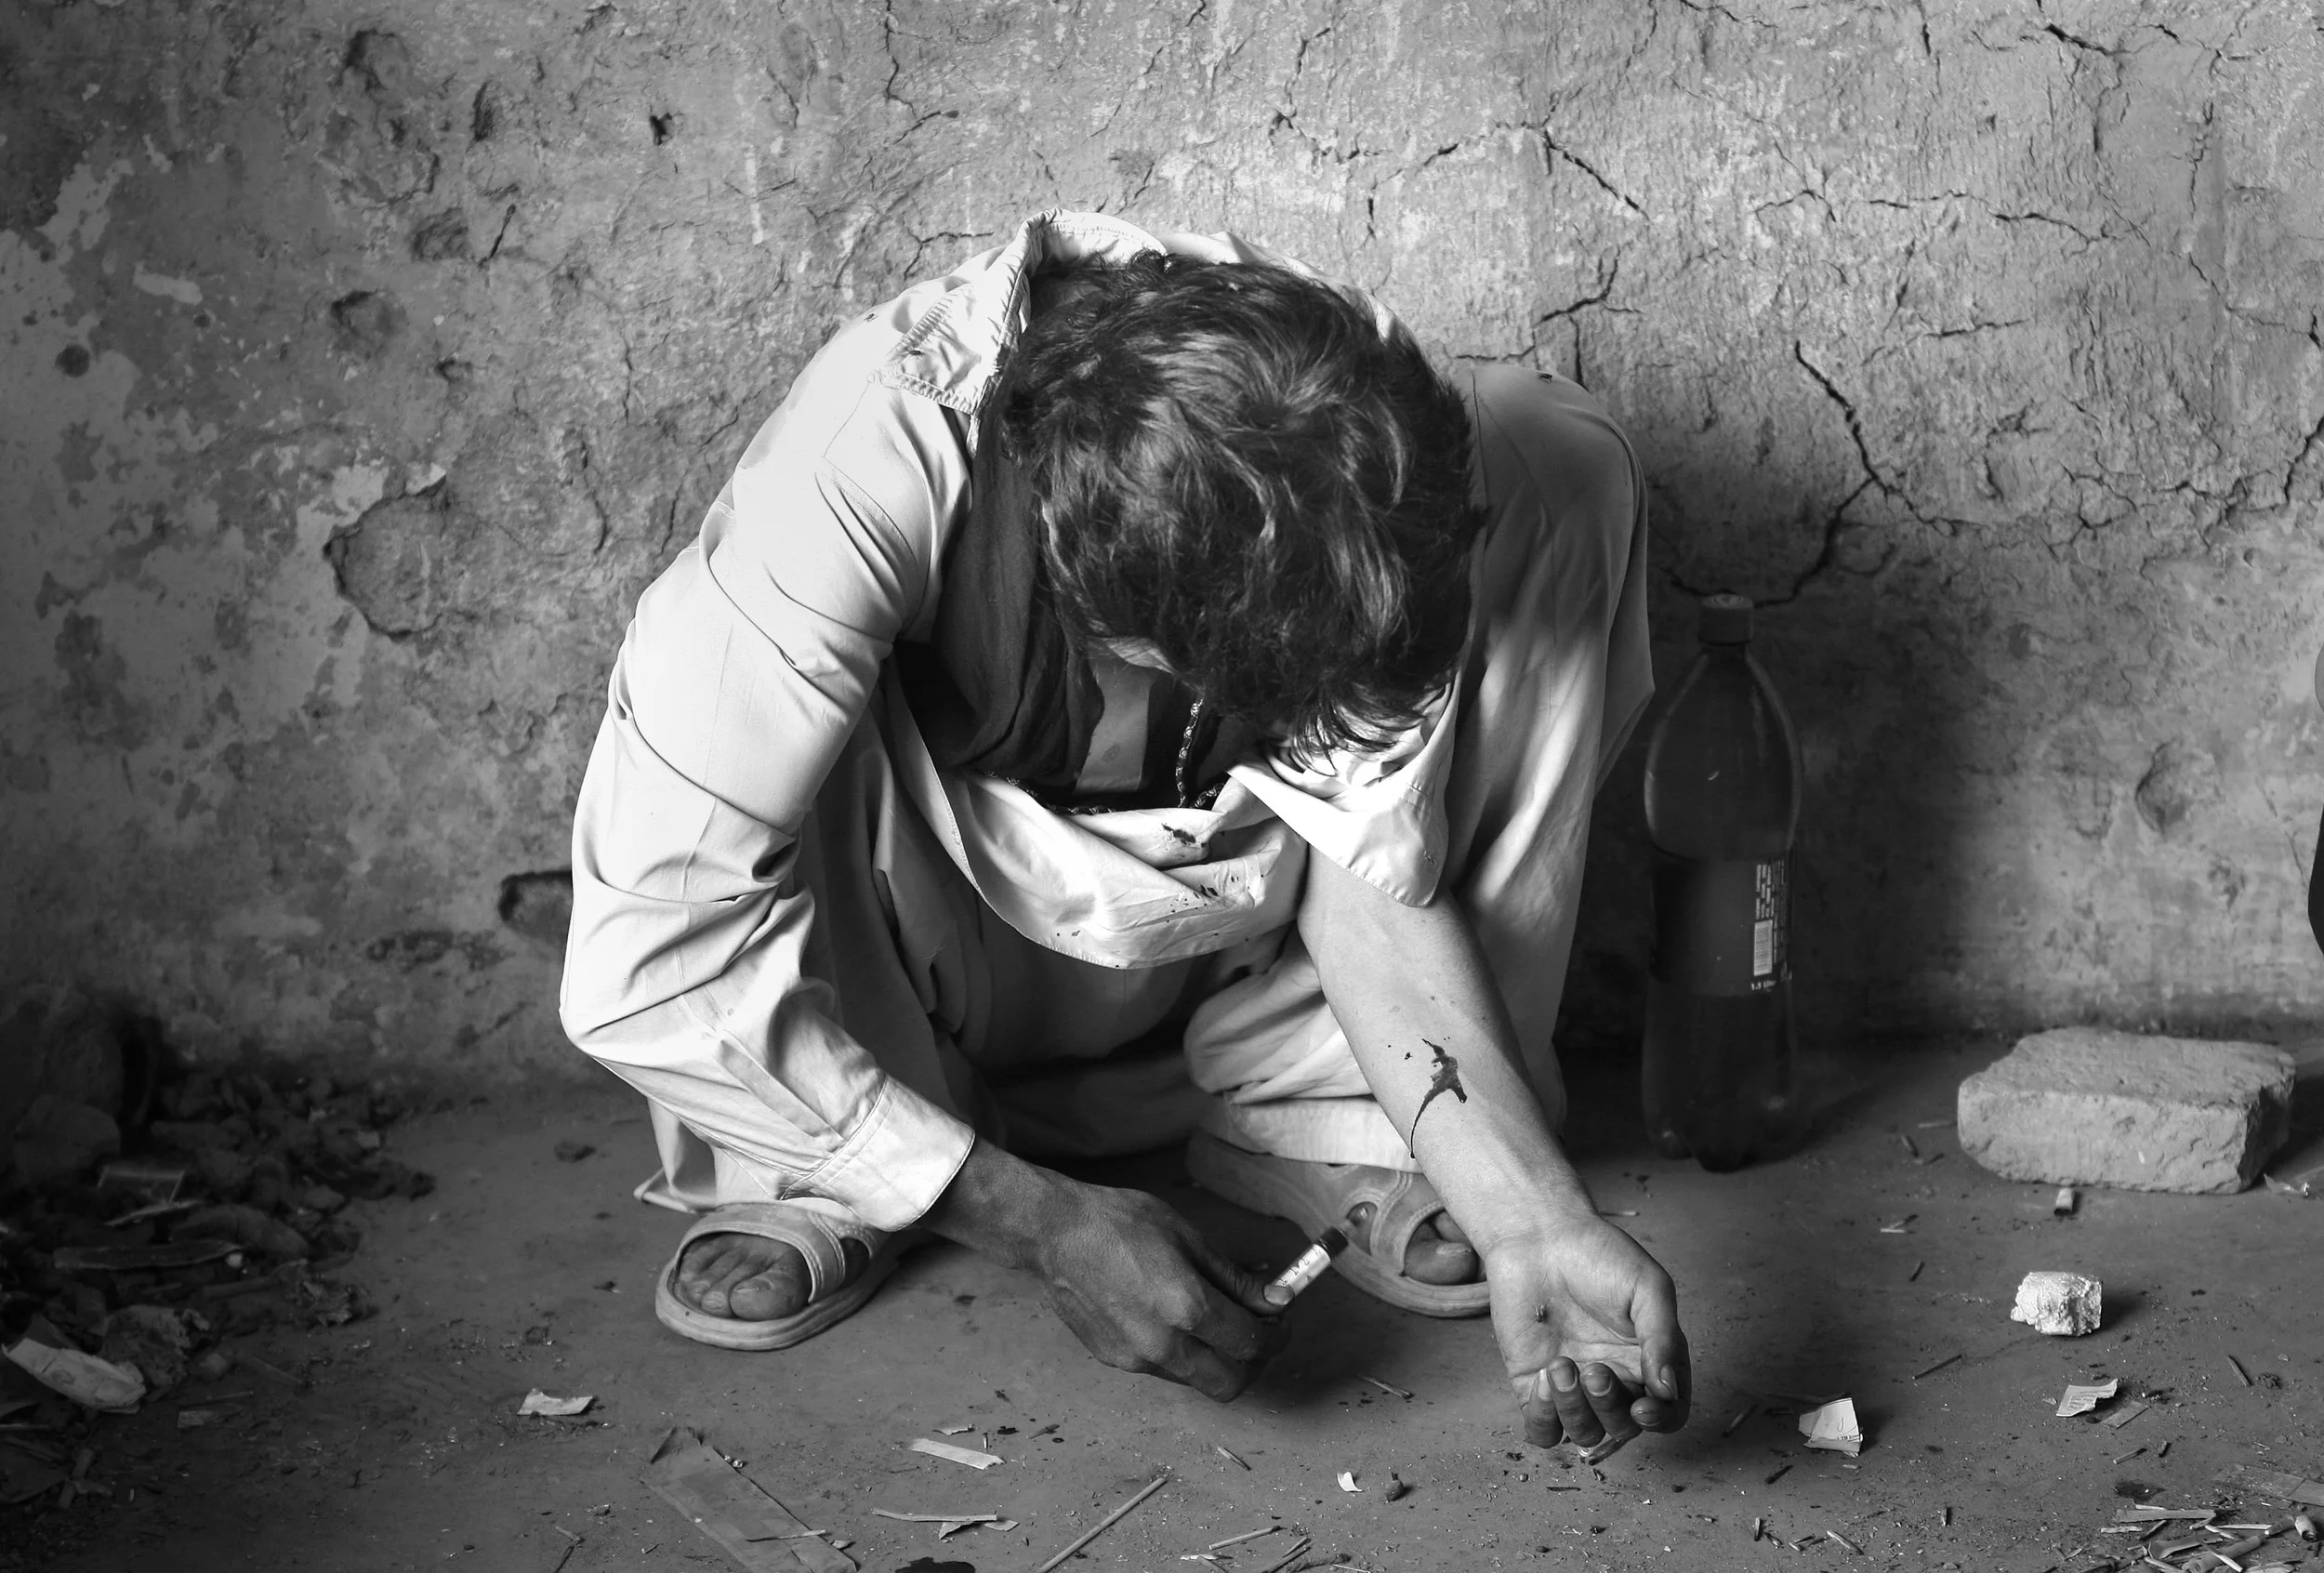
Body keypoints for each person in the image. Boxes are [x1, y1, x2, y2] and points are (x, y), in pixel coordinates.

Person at [560, 209, 1688, 1452]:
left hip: (1237, 912)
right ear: (1126, 640)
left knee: (1558, 457)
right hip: (928, 931)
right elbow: (647, 957)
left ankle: (1328, 1112)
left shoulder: (1361, 436)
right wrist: (1034, 1221)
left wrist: (1531, 1212)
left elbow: (1376, 860)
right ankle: (818, 1167)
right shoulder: (844, 486)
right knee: (771, 731)